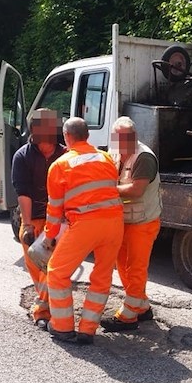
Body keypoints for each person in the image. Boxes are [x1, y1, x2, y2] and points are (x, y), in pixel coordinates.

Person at [40, 117, 124, 344]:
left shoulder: (60, 165)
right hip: (115, 222)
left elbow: (55, 208)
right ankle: (88, 330)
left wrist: (49, 236)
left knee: (57, 272)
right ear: (87, 136)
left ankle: (63, 327)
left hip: (86, 224)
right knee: (102, 276)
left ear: (67, 137)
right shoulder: (106, 158)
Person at [100, 116, 162, 332]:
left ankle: (127, 317)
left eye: (125, 137)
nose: (120, 141)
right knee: (123, 265)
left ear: (134, 136)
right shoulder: (115, 151)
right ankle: (141, 306)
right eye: (117, 137)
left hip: (143, 222)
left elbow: (136, 190)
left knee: (135, 267)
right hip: (124, 220)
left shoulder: (144, 157)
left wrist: (107, 190)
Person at [11, 108, 66, 331]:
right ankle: (44, 310)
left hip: (60, 219)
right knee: (37, 264)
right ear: (33, 130)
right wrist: (27, 226)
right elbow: (23, 192)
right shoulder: (22, 156)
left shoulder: (65, 154)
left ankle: (55, 308)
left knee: (57, 265)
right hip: (34, 217)